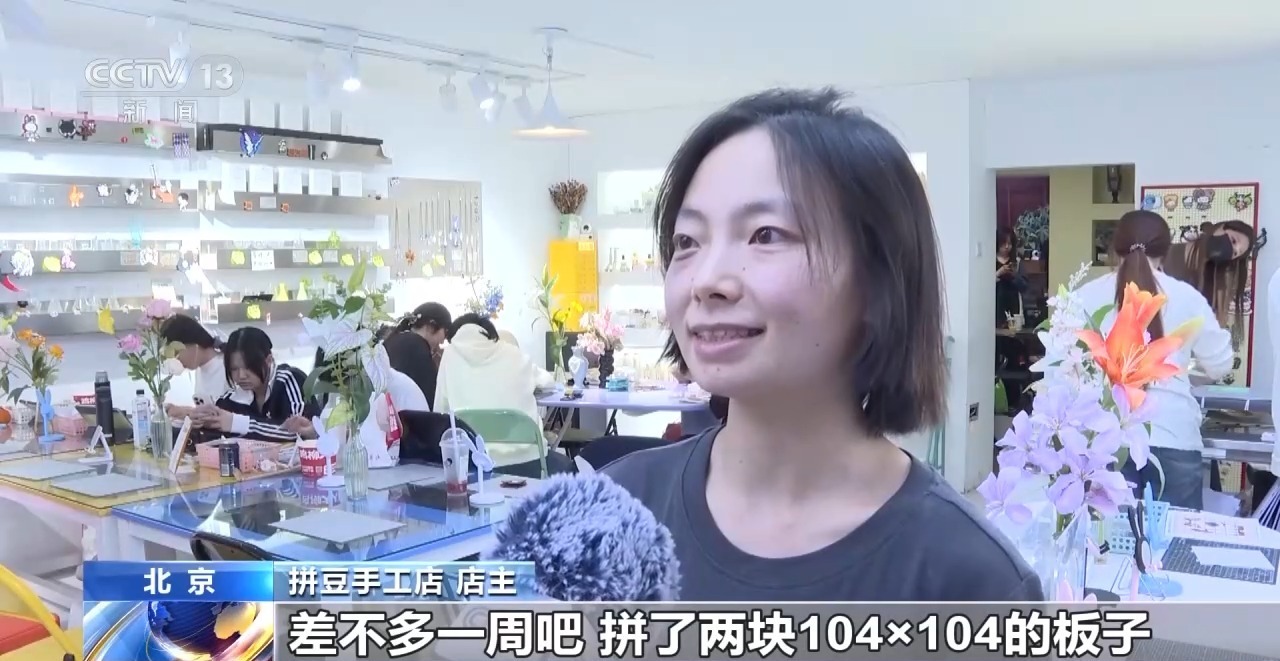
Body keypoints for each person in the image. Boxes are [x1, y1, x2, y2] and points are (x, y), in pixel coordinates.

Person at [603, 88, 1040, 601]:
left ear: (877, 281)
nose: (706, 280)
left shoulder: (971, 581)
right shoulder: (609, 512)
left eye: (766, 235)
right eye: (687, 242)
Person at [1075, 210, 1233, 509]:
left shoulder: (1084, 296)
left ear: (1114, 249)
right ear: (1165, 251)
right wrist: (1178, 369)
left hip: (1104, 438)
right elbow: (1221, 364)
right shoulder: (1186, 297)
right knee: (1176, 535)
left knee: (1107, 535)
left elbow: (1062, 368)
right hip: (1173, 434)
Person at [435, 313, 567, 477]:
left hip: (473, 461)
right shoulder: (513, 353)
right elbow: (548, 382)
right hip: (528, 460)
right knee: (568, 467)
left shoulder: (449, 356)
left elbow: (439, 410)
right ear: (489, 331)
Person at [196, 327, 316, 442]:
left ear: (268, 360)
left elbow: (298, 432)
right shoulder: (233, 397)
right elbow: (215, 434)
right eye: (234, 369)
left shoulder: (288, 379)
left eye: (248, 367)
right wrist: (202, 420)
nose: (241, 376)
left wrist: (237, 423)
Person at [1166, 219, 1256, 329]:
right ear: (1220, 228)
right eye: (1233, 241)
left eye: (1235, 253)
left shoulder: (1217, 288)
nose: (1233, 249)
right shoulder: (1166, 254)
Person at [159, 314, 229, 420]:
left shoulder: (227, 368)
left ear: (193, 344)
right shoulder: (200, 370)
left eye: (177, 353)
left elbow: (226, 417)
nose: (176, 360)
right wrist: (184, 413)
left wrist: (187, 412)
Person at [381, 302, 452, 408]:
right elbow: (431, 401)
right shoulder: (418, 348)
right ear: (431, 326)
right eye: (445, 333)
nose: (442, 341)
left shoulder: (391, 340)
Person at [995, 226, 1027, 327]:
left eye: (1009, 243)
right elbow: (984, 285)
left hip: (1014, 305)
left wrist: (1014, 275)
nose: (1006, 247)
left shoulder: (1017, 262)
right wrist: (999, 273)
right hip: (995, 305)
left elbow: (1024, 286)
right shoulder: (990, 260)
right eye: (1003, 243)